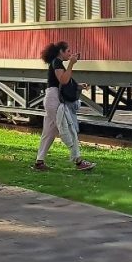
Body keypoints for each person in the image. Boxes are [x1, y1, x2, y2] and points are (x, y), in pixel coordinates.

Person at [34, 41, 96, 172]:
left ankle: (39, 162)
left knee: (49, 133)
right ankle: (78, 161)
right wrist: (72, 64)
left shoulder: (57, 63)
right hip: (54, 100)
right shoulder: (57, 62)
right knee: (68, 127)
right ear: (61, 52)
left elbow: (63, 82)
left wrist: (78, 86)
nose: (70, 54)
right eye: (68, 51)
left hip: (53, 98)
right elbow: (63, 80)